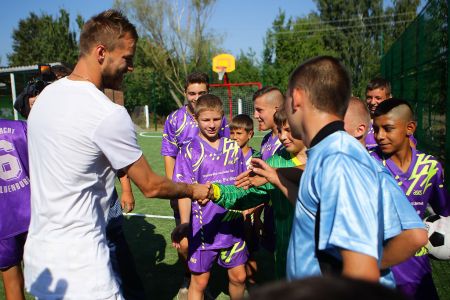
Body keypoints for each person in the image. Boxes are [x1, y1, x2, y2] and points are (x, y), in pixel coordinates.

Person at [23, 10, 210, 300]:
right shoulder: (106, 112)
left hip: (41, 263)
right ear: (101, 52)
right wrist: (194, 189)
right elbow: (150, 185)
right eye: (128, 58)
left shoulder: (45, 97)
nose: (131, 67)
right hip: (83, 271)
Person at [281, 56, 427, 282]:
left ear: (297, 97)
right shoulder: (331, 153)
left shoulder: (339, 161)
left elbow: (360, 272)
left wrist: (367, 264)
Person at [206, 108, 307, 280]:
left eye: (289, 130)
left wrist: (275, 174)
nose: (282, 137)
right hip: (287, 253)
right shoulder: (276, 160)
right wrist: (214, 191)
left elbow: (320, 172)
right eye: (280, 130)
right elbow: (244, 194)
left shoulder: (326, 156)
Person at [370, 98, 450, 300]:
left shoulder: (430, 168)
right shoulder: (368, 164)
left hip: (418, 269)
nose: (379, 136)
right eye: (376, 129)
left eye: (387, 129)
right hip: (380, 269)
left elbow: (444, 214)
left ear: (410, 128)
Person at [172, 94, 248, 300]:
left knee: (239, 276)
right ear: (196, 120)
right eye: (206, 120)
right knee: (201, 281)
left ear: (222, 118)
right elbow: (184, 192)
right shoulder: (189, 151)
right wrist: (185, 223)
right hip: (203, 227)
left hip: (232, 224)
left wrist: (246, 209)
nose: (212, 125)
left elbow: (242, 184)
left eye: (216, 119)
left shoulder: (233, 148)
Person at [161, 71, 229, 298]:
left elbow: (226, 150)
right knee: (184, 240)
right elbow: (169, 154)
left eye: (201, 93)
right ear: (185, 93)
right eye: (192, 93)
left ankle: (206, 277)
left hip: (213, 193)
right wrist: (174, 188)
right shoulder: (174, 120)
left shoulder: (220, 119)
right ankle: (190, 276)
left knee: (214, 237)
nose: (196, 97)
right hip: (184, 192)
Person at [229, 114, 261, 287]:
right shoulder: (225, 155)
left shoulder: (257, 157)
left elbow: (261, 191)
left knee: (250, 251)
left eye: (239, 133)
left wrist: (256, 217)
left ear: (250, 134)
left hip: (249, 212)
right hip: (230, 212)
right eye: (232, 133)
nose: (234, 137)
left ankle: (253, 285)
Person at [253, 86, 284, 254]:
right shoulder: (266, 140)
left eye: (259, 110)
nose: (256, 115)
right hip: (270, 212)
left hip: (287, 215)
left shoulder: (292, 139)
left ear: (276, 110)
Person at [0, 119, 29, 300]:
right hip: (32, 211)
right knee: (54, 274)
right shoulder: (20, 127)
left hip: (3, 221)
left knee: (12, 282)